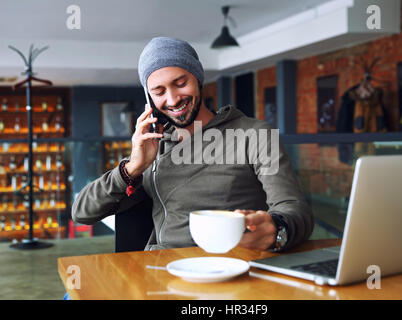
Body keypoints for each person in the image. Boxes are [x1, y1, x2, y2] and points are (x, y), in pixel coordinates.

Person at [72, 37, 314, 252]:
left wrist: (276, 230)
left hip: (230, 267)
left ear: (198, 78)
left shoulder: (255, 134)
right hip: (160, 270)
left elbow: (295, 210)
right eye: (159, 91)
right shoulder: (154, 146)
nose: (173, 99)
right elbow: (82, 212)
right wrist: (132, 168)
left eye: (180, 83)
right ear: (149, 99)